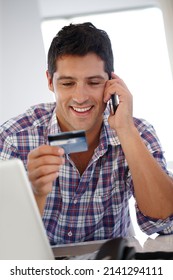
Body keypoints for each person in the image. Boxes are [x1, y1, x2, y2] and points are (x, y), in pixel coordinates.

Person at [0, 22, 173, 245]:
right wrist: (36, 193)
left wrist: (126, 131)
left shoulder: (136, 131)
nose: (80, 96)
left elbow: (164, 222)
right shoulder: (14, 137)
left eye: (93, 82)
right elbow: (6, 240)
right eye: (68, 83)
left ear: (111, 83)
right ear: (50, 81)